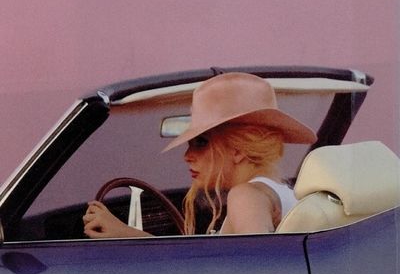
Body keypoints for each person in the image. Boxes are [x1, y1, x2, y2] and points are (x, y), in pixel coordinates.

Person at [83, 72, 317, 238]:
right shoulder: (281, 193)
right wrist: (127, 235)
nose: (188, 156)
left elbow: (256, 268)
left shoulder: (246, 195)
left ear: (237, 150)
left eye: (202, 143)